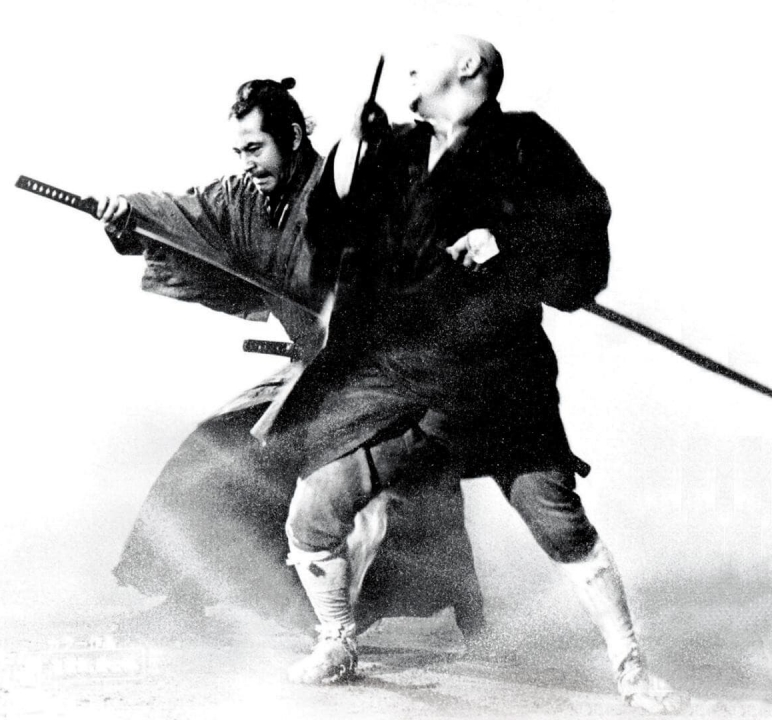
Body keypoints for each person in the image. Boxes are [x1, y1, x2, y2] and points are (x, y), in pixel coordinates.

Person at [271, 35, 687, 714]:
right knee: (313, 509)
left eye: (424, 57)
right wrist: (350, 152)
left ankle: (630, 665)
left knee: (558, 524)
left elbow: (585, 248)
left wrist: (508, 242)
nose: (409, 66)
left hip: (497, 377)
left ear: (467, 68)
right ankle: (338, 639)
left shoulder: (526, 144)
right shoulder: (397, 148)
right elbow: (331, 234)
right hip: (400, 373)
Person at [90, 78, 484, 637]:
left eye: (256, 148)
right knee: (217, 449)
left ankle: (472, 619)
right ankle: (187, 594)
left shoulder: (347, 190)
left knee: (409, 490)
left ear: (294, 136)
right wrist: (127, 212)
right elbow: (184, 211)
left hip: (386, 372)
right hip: (311, 371)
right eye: (239, 152)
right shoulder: (239, 200)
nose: (247, 163)